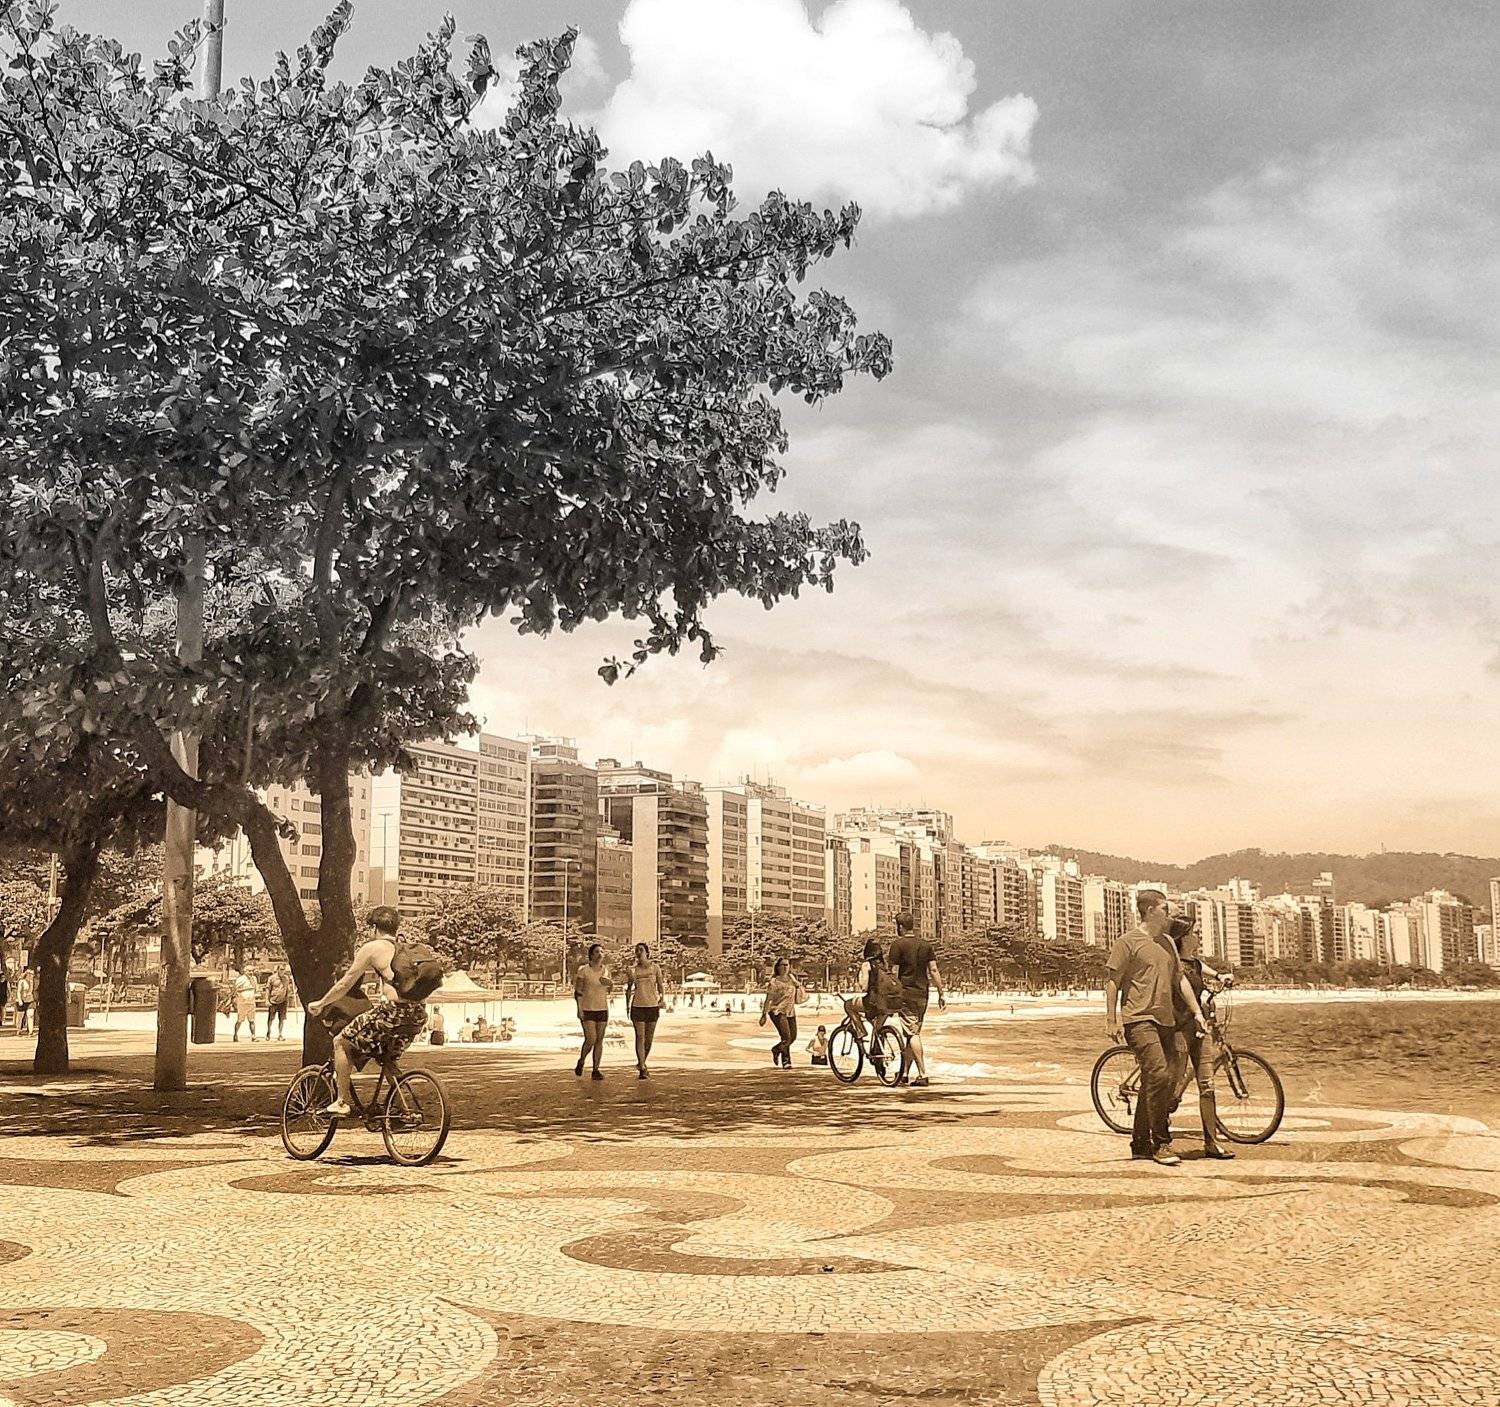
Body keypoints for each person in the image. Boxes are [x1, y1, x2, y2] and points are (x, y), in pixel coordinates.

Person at [306, 906, 428, 1117]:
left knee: (341, 1042)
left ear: (374, 928)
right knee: (387, 1059)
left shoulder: (372, 948)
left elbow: (345, 983)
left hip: (392, 1013)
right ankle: (404, 1111)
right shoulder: (408, 950)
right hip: (417, 1015)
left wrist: (321, 1003)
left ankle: (341, 1102)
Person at [1104, 891, 1185, 1166]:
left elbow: (1179, 980)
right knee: (1160, 1074)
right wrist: (1111, 1020)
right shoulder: (1127, 942)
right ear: (1150, 911)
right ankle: (1161, 1142)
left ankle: (1139, 1144)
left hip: (1166, 1020)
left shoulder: (1169, 943)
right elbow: (1113, 982)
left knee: (1157, 1080)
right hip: (1138, 1019)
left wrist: (1197, 1012)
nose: (1169, 914)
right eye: (1165, 908)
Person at [1167, 917, 1235, 1160]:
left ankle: (1212, 1143)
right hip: (1180, 1028)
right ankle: (1160, 1134)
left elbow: (1203, 968)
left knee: (1207, 1084)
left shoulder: (1194, 963)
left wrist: (1220, 976)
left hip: (1200, 1028)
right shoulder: (1173, 964)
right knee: (1172, 1081)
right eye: (1194, 932)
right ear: (1184, 937)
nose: (1197, 936)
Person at [885, 912, 947, 1088]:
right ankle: (904, 1074)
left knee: (913, 1034)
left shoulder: (897, 945)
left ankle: (922, 1074)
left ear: (900, 927)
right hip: (923, 995)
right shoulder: (925, 945)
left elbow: (894, 973)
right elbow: (933, 970)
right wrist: (941, 992)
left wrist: (890, 994)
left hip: (906, 994)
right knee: (911, 1033)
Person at [623, 942, 665, 1079]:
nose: (638, 952)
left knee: (649, 1039)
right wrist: (627, 1006)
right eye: (637, 950)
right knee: (640, 1037)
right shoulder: (633, 970)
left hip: (652, 1006)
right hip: (638, 1006)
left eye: (641, 949)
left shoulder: (655, 968)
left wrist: (662, 998)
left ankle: (642, 1062)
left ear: (647, 952)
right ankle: (642, 1066)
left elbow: (660, 986)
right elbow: (629, 989)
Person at [759, 958, 806, 1068]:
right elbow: (768, 999)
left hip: (790, 1011)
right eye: (782, 965)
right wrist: (763, 1015)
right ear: (778, 967)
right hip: (777, 1011)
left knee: (793, 1037)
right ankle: (786, 1062)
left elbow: (800, 993)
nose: (785, 967)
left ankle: (776, 1049)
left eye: (787, 965)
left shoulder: (792, 978)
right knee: (786, 1037)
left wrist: (798, 985)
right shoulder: (774, 981)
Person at [573, 942, 611, 1079]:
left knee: (599, 1040)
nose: (600, 954)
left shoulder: (606, 970)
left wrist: (610, 984)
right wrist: (579, 1009)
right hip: (587, 1008)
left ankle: (596, 1069)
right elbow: (578, 991)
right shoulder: (584, 970)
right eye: (596, 952)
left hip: (602, 1008)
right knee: (591, 1038)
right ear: (591, 955)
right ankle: (582, 1060)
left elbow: (609, 989)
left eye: (601, 952)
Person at [230, 968, 258, 1042]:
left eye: (252, 971)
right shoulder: (240, 979)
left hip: (251, 1002)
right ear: (245, 971)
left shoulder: (254, 979)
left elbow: (256, 989)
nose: (251, 972)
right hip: (242, 1003)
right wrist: (246, 989)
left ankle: (253, 1036)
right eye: (249, 971)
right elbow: (235, 989)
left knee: (252, 1020)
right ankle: (235, 1035)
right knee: (240, 1020)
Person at [264, 966, 290, 1040]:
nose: (282, 971)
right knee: (271, 1018)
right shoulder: (272, 978)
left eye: (283, 970)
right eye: (281, 969)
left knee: (281, 1019)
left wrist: (287, 1000)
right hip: (273, 1001)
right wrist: (267, 1000)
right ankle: (268, 1032)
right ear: (278, 970)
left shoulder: (286, 978)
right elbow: (268, 989)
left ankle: (280, 1034)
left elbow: (287, 989)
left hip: (283, 1001)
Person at [15, 964, 35, 1036]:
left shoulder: (33, 982)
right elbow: (18, 992)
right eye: (30, 974)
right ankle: (19, 1030)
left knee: (30, 1015)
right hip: (22, 1000)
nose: (32, 976)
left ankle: (30, 1031)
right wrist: (20, 1000)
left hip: (30, 1000)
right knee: (20, 1016)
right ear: (27, 974)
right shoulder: (22, 981)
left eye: (32, 975)